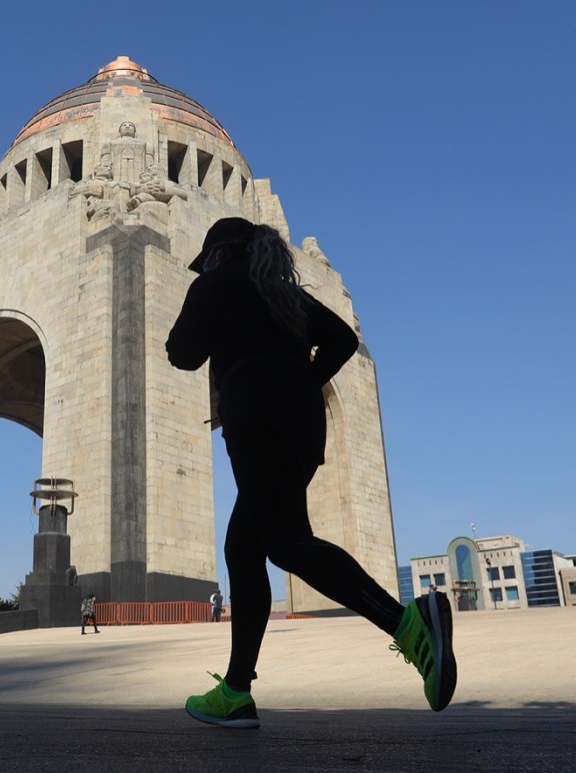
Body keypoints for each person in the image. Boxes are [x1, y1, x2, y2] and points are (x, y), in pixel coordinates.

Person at [166, 217, 456, 729]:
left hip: (255, 422)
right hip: (301, 430)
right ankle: (236, 692)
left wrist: (212, 316)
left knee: (286, 543)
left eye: (207, 257)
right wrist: (303, 379)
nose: (204, 265)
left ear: (221, 252)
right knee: (244, 548)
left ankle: (410, 623)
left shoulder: (215, 283)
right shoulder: (284, 293)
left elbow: (181, 354)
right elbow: (343, 338)